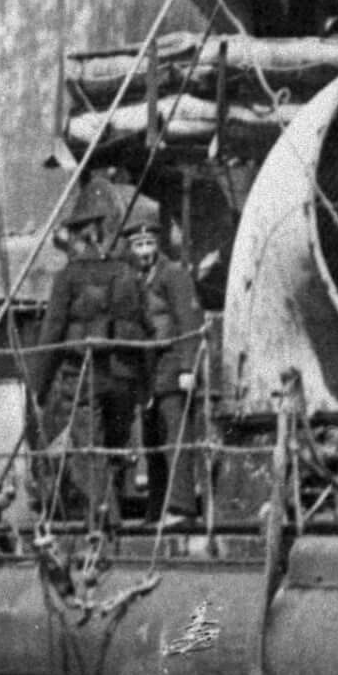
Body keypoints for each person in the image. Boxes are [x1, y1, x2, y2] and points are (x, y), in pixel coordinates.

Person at [22, 182, 152, 518]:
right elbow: (144, 326)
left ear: (84, 234)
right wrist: (144, 382)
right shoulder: (128, 272)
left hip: (85, 374)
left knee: (88, 450)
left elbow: (53, 331)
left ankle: (105, 525)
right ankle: (115, 513)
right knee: (115, 447)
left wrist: (39, 385)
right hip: (123, 375)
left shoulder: (69, 276)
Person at [115, 199, 207, 522]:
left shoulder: (174, 275)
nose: (144, 252)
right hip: (148, 368)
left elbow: (187, 321)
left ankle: (181, 507)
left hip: (171, 361)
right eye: (138, 245)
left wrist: (187, 367)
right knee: (152, 437)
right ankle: (157, 507)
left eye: (149, 244)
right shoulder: (135, 279)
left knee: (175, 435)